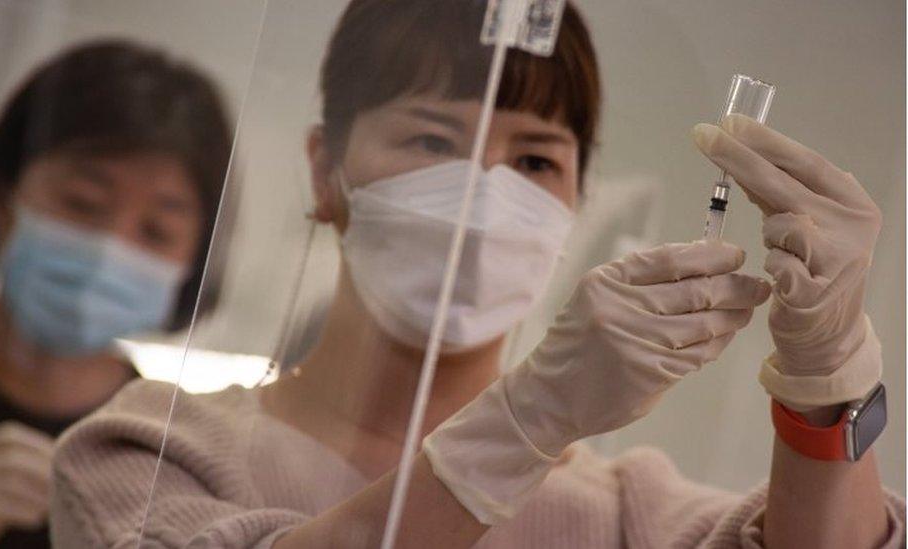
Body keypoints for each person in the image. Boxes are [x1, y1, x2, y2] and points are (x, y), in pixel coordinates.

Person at [50, 1, 905, 548]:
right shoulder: (153, 450)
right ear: (325, 171)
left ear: (577, 200)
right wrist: (530, 416)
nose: (485, 193)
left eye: (534, 160)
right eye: (431, 141)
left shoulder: (626, 511)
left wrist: (829, 373)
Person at [0, 41, 234, 549]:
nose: (109, 250)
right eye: (82, 202)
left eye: (156, 231)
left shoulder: (163, 449)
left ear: (192, 261)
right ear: (2, 198)